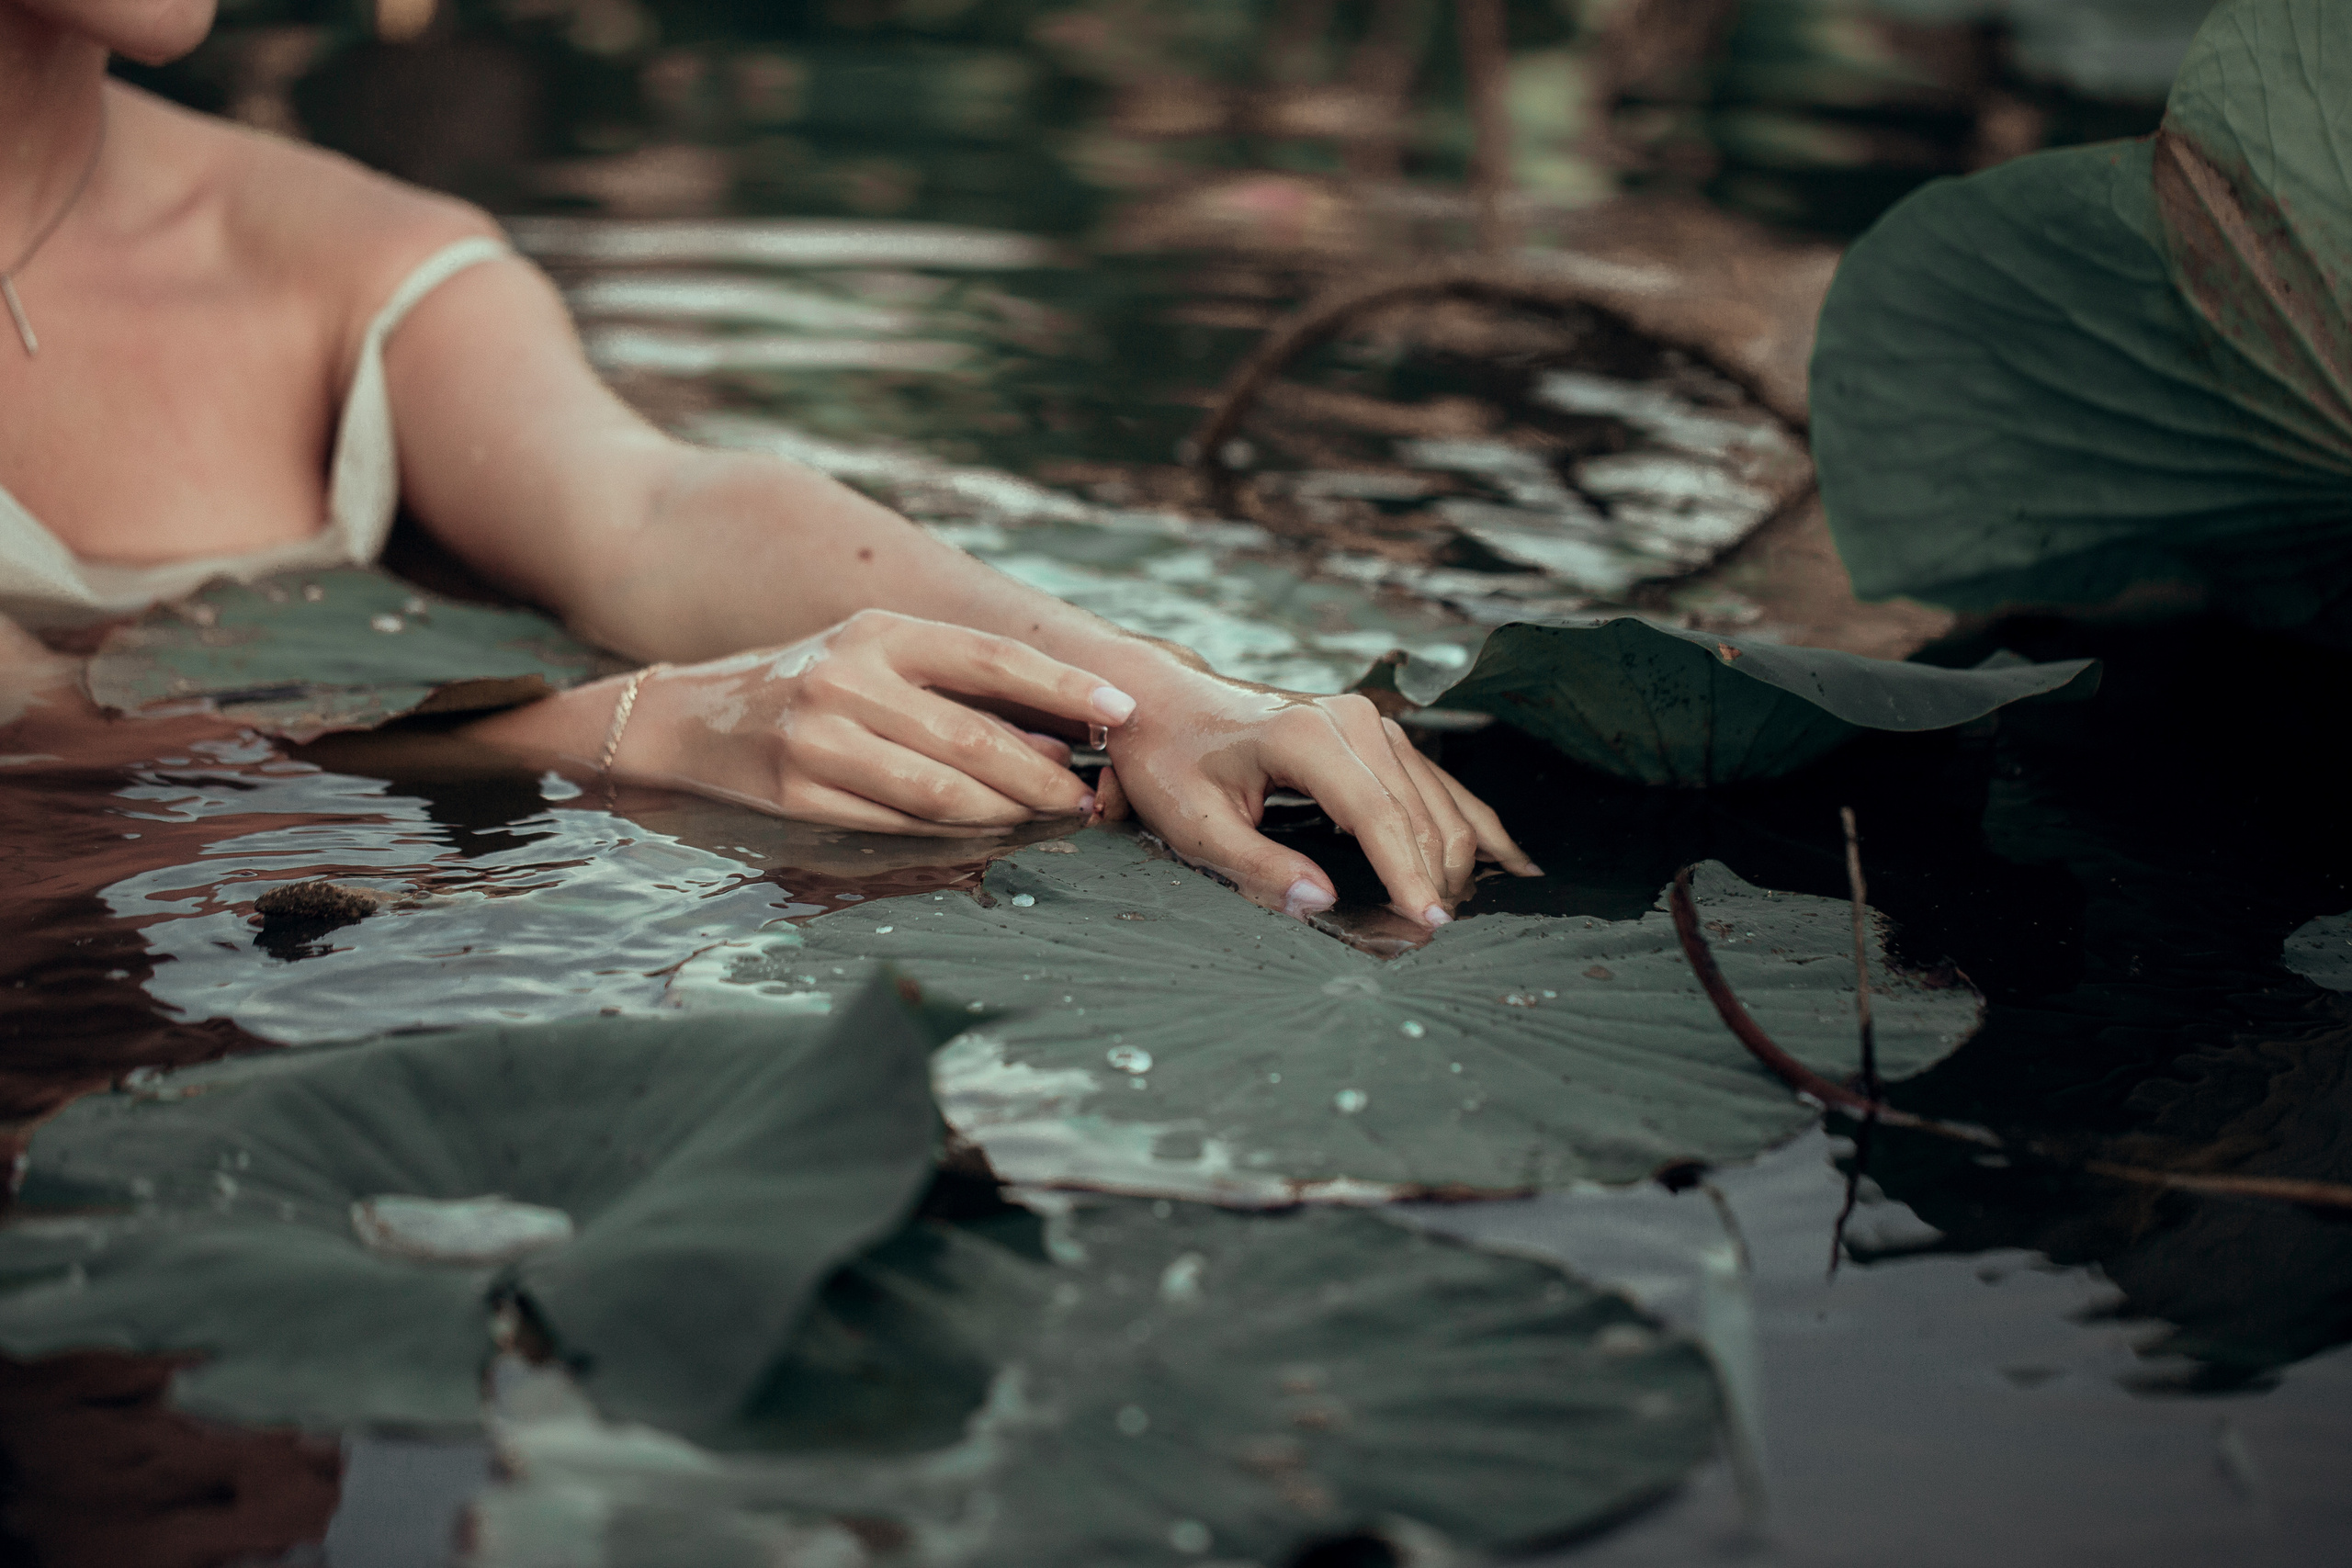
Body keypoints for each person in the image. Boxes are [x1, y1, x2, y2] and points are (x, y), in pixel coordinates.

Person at [0, 0, 1537, 926]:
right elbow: (47, 726)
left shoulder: (340, 254)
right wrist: (649, 726)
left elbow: (647, 509)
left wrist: (1152, 694)